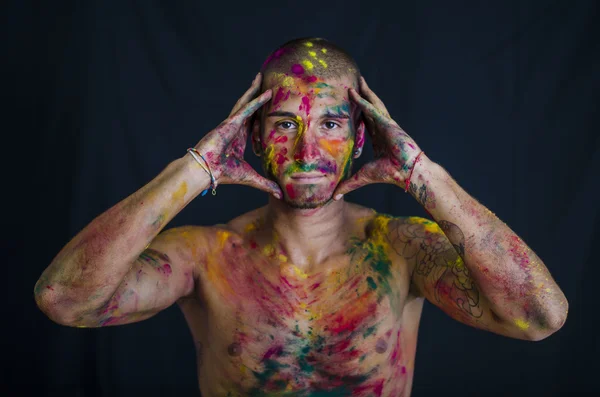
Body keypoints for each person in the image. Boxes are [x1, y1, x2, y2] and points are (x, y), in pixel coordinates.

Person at [34, 37, 568, 396]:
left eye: (332, 125)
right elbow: (64, 299)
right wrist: (194, 170)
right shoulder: (206, 256)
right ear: (257, 137)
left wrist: (423, 177)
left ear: (361, 139)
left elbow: (540, 316)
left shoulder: (401, 249)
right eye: (285, 125)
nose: (307, 149)